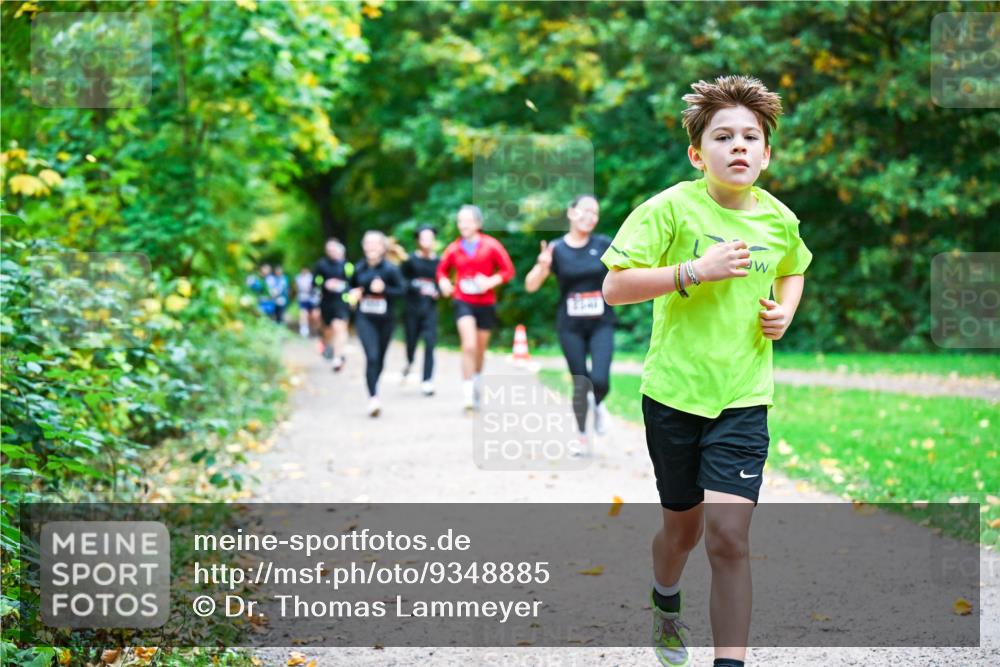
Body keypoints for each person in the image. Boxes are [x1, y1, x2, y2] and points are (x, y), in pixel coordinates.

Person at [601, 75, 812, 667]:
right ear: (698, 154)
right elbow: (614, 287)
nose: (738, 145)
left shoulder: (779, 219)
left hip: (743, 399)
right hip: (673, 395)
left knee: (728, 536)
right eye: (723, 136)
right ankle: (666, 599)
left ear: (766, 155)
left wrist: (785, 312)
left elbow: (793, 267)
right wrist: (693, 270)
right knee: (682, 532)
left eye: (751, 137)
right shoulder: (669, 209)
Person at [524, 194, 615, 452]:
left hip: (601, 322)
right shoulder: (556, 249)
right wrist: (542, 267)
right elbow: (530, 286)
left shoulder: (604, 244)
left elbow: (623, 272)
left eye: (595, 213)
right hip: (570, 326)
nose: (590, 217)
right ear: (571, 212)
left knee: (600, 380)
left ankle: (598, 404)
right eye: (585, 211)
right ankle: (582, 437)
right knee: (580, 382)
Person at [436, 205, 515, 412]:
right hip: (463, 301)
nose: (464, 225)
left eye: (468, 221)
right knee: (469, 345)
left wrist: (490, 282)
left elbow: (508, 271)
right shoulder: (454, 248)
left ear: (478, 224)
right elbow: (442, 271)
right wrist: (443, 282)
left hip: (486, 303)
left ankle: (477, 379)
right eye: (460, 221)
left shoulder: (491, 245)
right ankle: (467, 393)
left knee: (480, 349)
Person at [349, 231, 405, 417]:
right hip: (365, 319)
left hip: (386, 320)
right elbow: (350, 289)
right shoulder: (358, 269)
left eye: (375, 243)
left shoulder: (391, 269)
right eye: (368, 243)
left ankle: (374, 386)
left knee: (379, 359)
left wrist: (384, 289)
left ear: (383, 248)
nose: (371, 247)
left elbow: (402, 291)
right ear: (363, 247)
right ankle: (373, 398)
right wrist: (352, 295)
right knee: (371, 357)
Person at [400, 225, 441, 396]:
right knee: (411, 342)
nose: (427, 242)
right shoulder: (410, 260)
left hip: (430, 309)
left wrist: (438, 291)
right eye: (424, 238)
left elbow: (442, 282)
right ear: (418, 240)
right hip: (412, 309)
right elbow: (401, 282)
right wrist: (416, 287)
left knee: (430, 343)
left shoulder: (439, 262)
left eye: (430, 238)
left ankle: (427, 380)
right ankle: (409, 361)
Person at [313, 239, 352, 372]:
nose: (332, 252)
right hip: (326, 302)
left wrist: (344, 287)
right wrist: (324, 284)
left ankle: (338, 357)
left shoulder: (347, 265)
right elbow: (315, 281)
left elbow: (353, 282)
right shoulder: (321, 264)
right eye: (329, 250)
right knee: (328, 329)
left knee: (339, 327)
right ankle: (327, 345)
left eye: (334, 249)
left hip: (341, 301)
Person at [295, 267, 317, 337]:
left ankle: (312, 328)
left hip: (312, 299)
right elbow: (296, 287)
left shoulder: (312, 277)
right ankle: (304, 328)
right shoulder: (298, 278)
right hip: (303, 298)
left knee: (313, 315)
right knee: (303, 313)